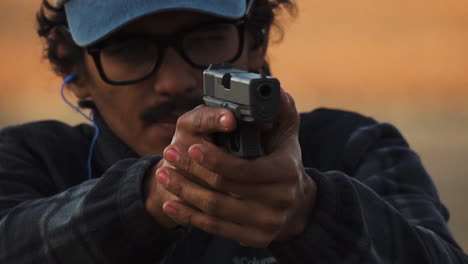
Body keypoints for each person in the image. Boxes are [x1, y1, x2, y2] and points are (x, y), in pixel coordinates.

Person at [0, 0, 466, 263]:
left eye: (205, 39)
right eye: (128, 49)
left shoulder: (355, 147)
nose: (176, 81)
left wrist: (313, 213)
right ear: (75, 68)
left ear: (256, 42)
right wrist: (149, 198)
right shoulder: (29, 159)